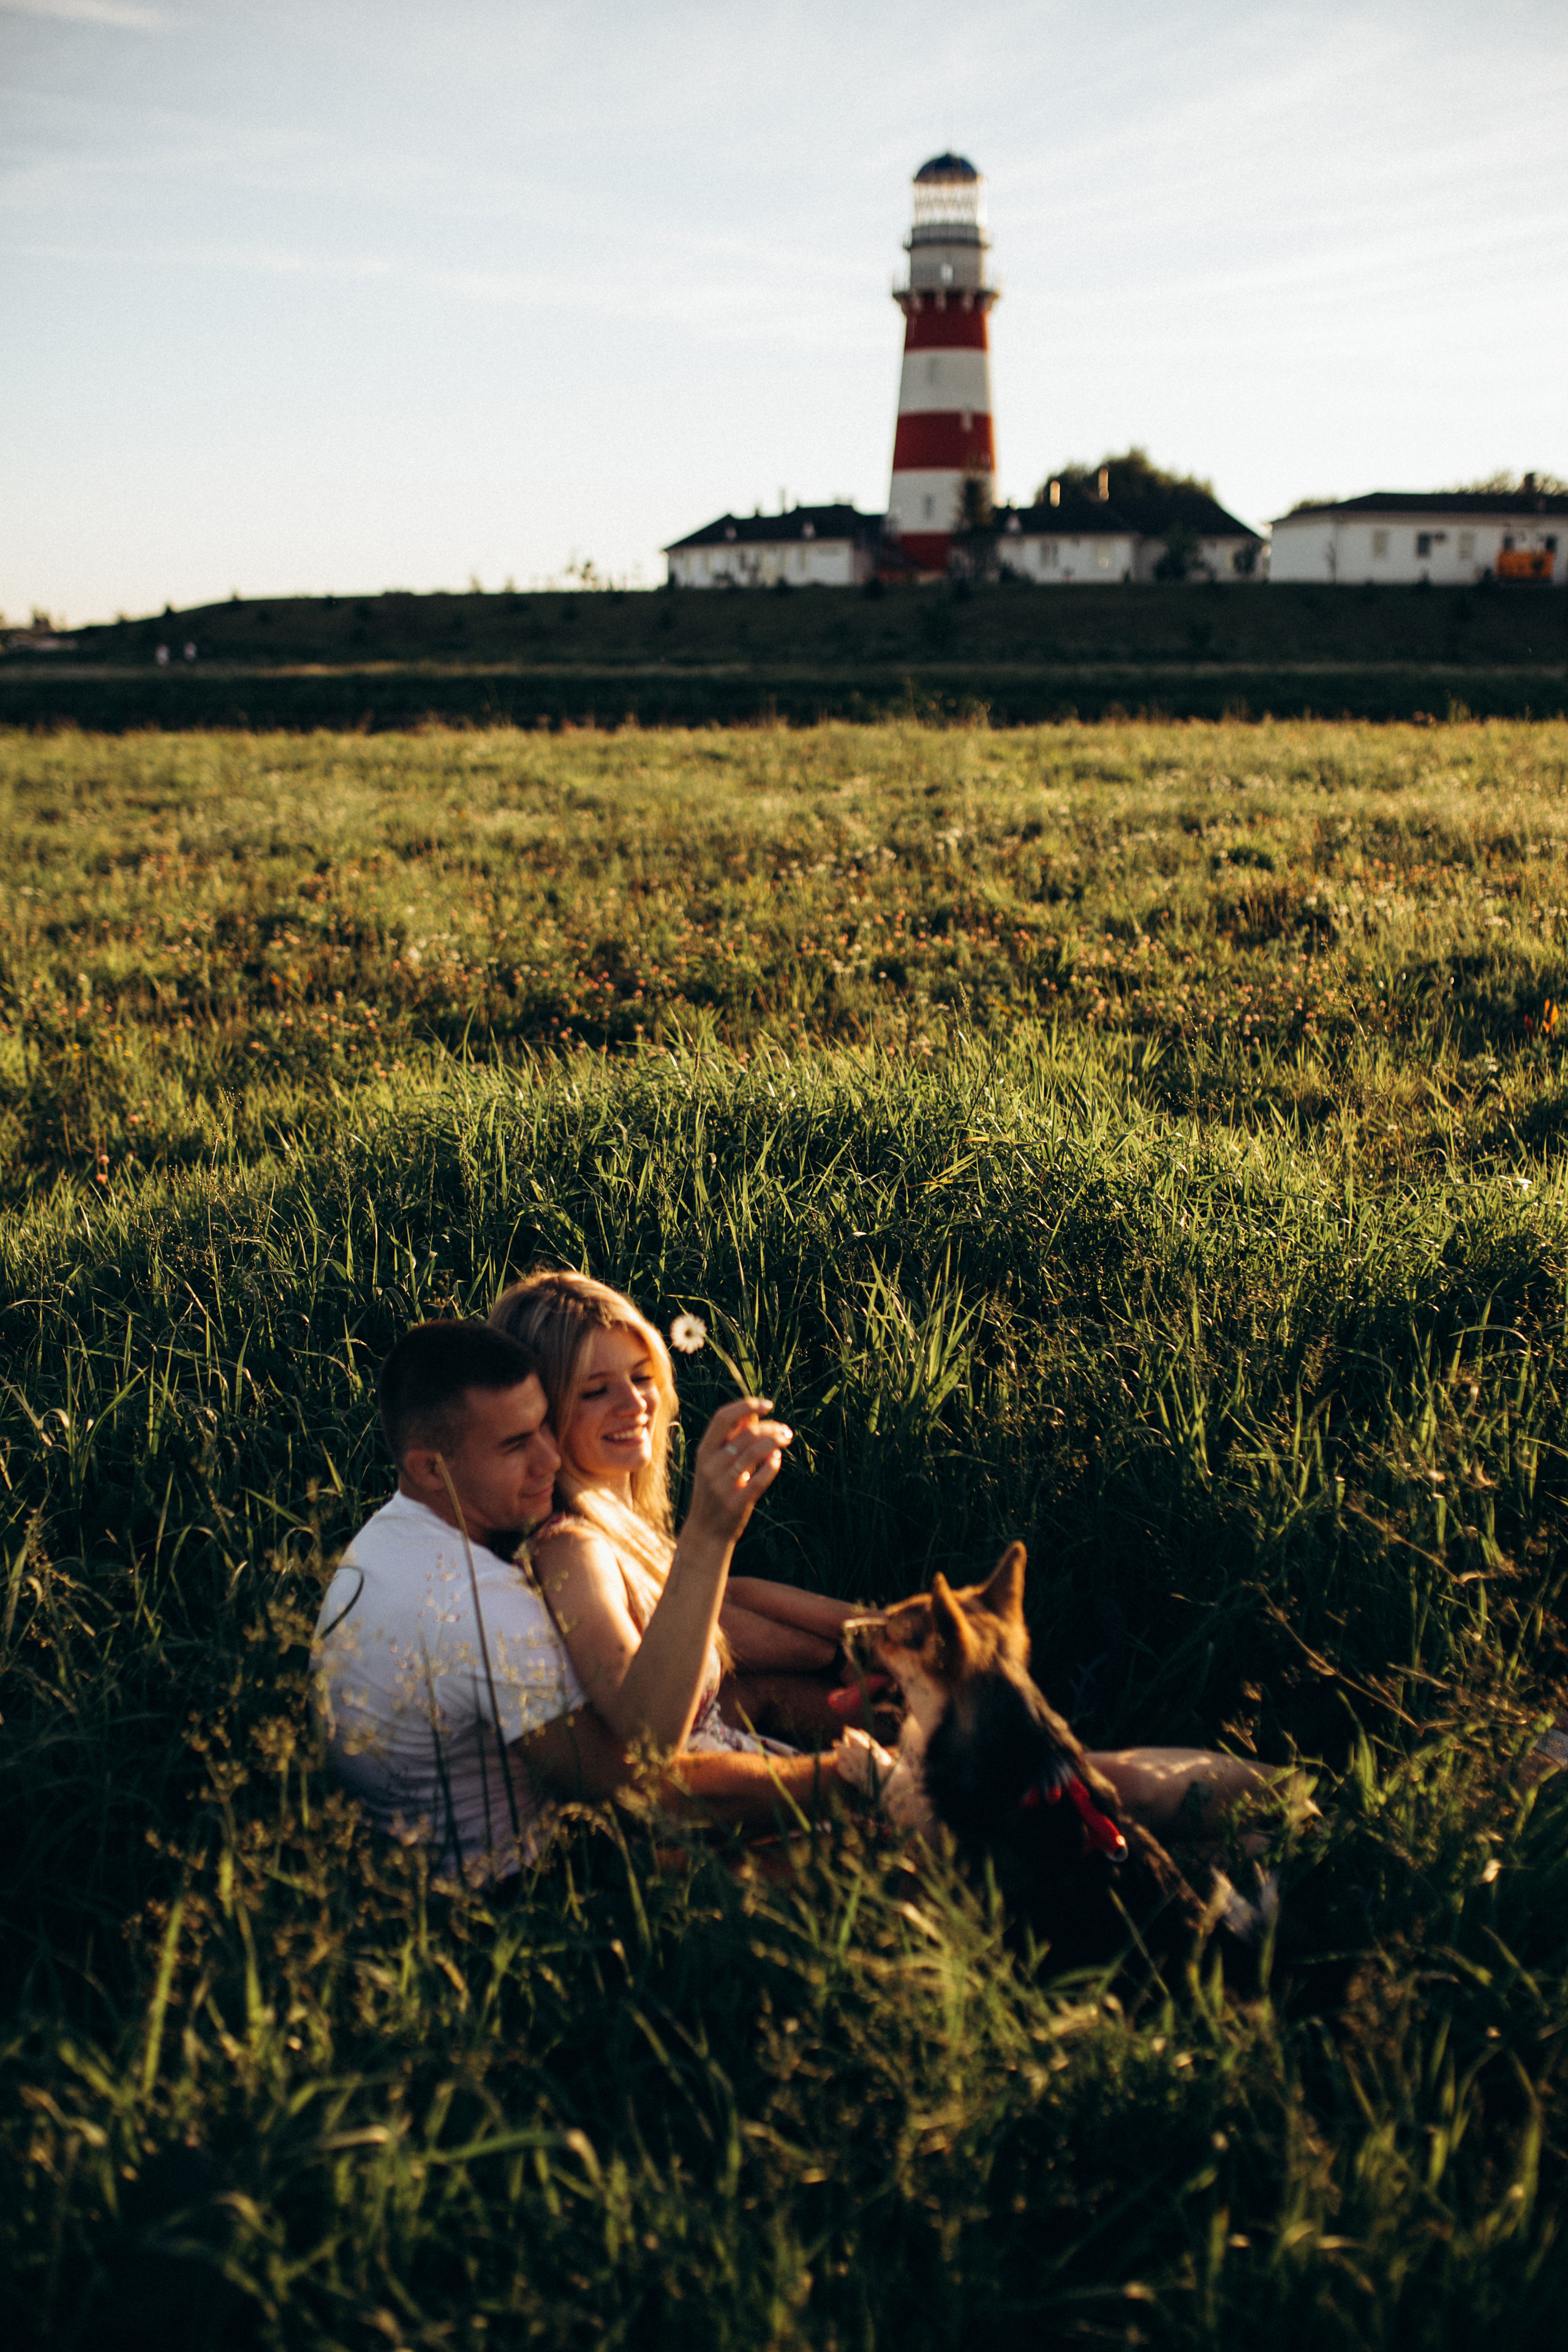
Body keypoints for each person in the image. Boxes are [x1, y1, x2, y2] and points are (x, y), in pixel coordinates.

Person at [312, 1319, 838, 1885]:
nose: (551, 1460)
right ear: (429, 1468)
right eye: (515, 1445)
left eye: (544, 1428)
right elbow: (637, 1778)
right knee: (859, 1851)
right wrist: (854, 1779)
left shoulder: (391, 1535)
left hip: (440, 1846)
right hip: (531, 1894)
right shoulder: (479, 1604)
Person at [487, 1271, 859, 1763]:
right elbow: (644, 1736)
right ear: (540, 1412)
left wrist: (871, 1634)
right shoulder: (571, 1550)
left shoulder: (614, 1527)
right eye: (595, 1391)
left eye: (642, 1377)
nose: (635, 1403)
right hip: (709, 1814)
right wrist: (710, 1531)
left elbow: (721, 1601)